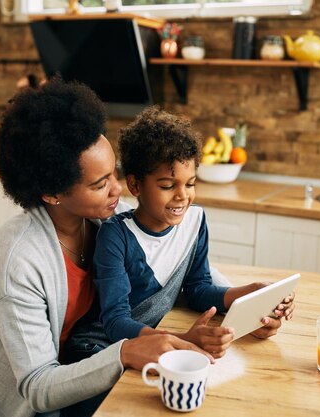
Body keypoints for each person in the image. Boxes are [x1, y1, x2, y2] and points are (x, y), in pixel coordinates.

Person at [0, 80, 213, 417]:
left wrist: (242, 303)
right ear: (52, 192)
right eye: (100, 184)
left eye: (113, 174)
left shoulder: (104, 220)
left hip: (78, 379)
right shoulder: (18, 260)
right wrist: (126, 352)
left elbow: (174, 263)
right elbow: (37, 387)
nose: (118, 190)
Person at [89, 107, 295, 357]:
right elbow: (115, 321)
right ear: (134, 185)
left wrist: (250, 293)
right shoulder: (116, 236)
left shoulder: (195, 220)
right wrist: (182, 340)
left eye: (190, 183)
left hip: (157, 342)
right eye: (167, 185)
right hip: (104, 347)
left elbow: (197, 290)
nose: (182, 195)